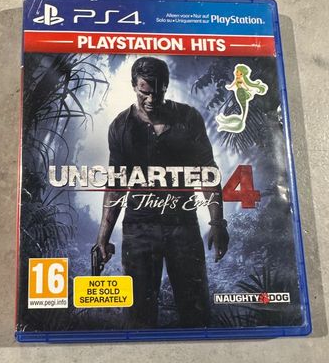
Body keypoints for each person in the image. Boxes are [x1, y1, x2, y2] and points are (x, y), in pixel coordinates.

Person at [96, 57, 229, 328]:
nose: (151, 98)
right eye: (144, 91)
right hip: (138, 229)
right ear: (134, 86)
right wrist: (103, 237)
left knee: (196, 313)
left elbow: (208, 173)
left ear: (166, 86)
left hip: (183, 226)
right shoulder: (121, 126)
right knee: (138, 317)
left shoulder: (188, 118)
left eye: (157, 91)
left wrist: (217, 223)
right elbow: (116, 185)